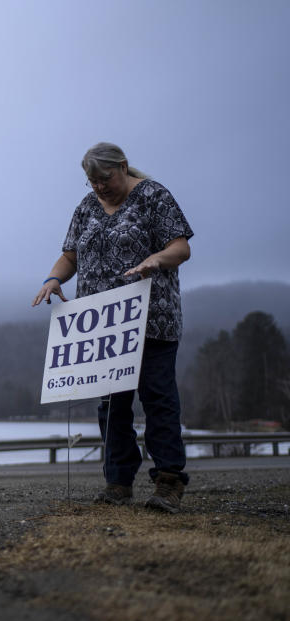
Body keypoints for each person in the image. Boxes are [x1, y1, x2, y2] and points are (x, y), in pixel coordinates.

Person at [32, 142, 194, 513]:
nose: (100, 187)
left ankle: (169, 482)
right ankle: (118, 482)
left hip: (152, 319)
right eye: (92, 182)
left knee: (158, 400)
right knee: (111, 406)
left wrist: (156, 258)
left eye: (105, 178)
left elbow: (180, 248)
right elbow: (71, 254)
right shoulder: (87, 207)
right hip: (103, 328)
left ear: (122, 167)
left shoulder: (154, 196)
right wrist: (54, 278)